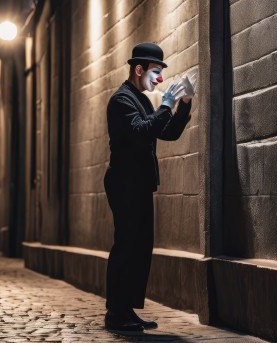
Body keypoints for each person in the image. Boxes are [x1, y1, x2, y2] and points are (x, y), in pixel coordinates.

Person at [103, 42, 197, 335]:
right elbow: (141, 131)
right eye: (155, 72)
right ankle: (116, 313)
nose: (158, 79)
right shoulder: (121, 100)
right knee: (126, 245)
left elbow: (165, 132)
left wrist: (183, 105)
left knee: (140, 247)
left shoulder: (141, 99)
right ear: (139, 69)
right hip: (125, 182)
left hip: (139, 182)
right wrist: (166, 106)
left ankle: (127, 310)